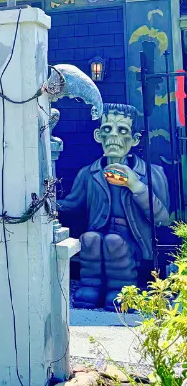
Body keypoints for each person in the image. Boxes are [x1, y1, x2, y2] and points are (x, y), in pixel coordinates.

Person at [58, 103, 170, 310]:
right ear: (98, 135)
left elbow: (162, 217)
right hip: (99, 235)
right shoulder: (89, 173)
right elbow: (72, 204)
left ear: (135, 139)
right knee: (89, 239)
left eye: (122, 130)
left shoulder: (151, 174)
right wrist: (49, 205)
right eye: (107, 129)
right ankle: (91, 286)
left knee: (114, 242)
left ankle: (122, 290)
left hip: (134, 242)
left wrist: (135, 185)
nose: (113, 137)